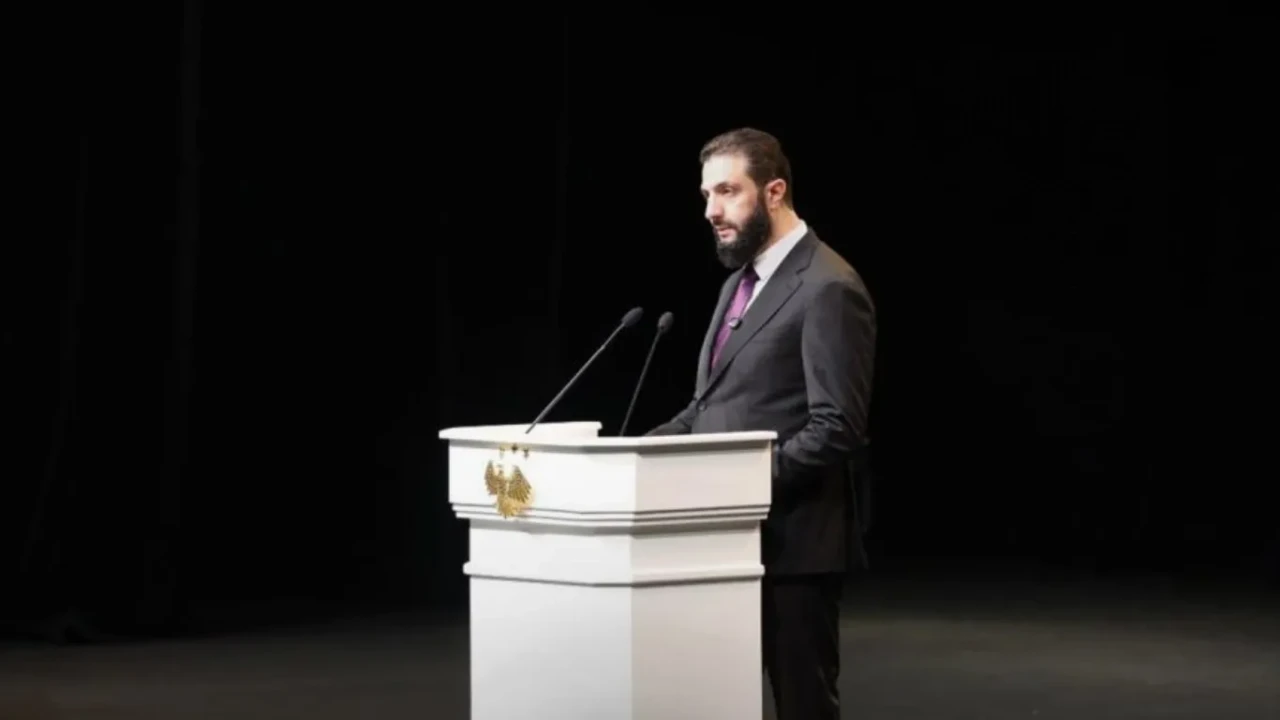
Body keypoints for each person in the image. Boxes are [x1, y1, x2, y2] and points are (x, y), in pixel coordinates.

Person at [646, 128, 876, 719]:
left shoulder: (828, 286)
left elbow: (837, 426)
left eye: (727, 191)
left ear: (774, 192)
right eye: (706, 195)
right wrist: (634, 456)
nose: (711, 211)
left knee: (803, 706)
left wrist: (737, 484)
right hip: (723, 544)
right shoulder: (739, 283)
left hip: (793, 551)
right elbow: (707, 407)